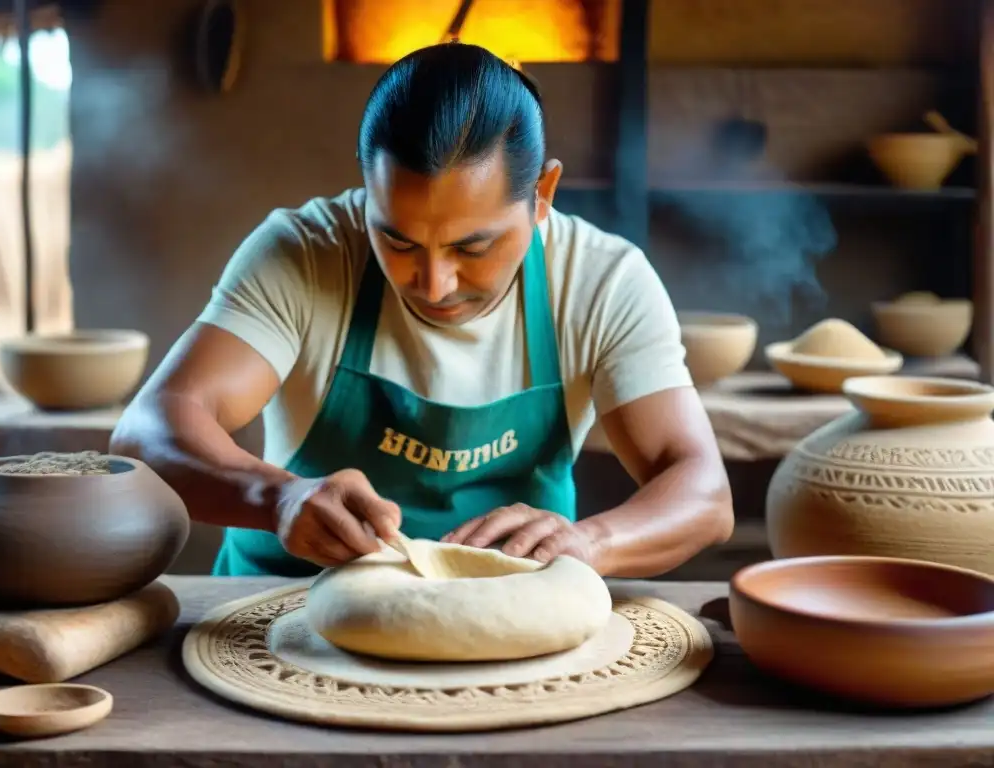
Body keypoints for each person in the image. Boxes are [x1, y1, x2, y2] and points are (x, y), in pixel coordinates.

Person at [110, 42, 733, 578]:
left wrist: (592, 542)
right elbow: (150, 430)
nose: (433, 283)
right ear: (368, 192)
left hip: (503, 615)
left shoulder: (601, 280)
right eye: (398, 240)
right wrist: (276, 499)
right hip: (278, 610)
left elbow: (703, 493)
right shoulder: (304, 252)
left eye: (473, 246)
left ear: (541, 195)